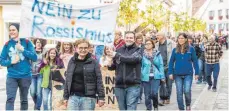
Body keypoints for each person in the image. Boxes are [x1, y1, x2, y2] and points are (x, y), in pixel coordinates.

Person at [0, 23, 37, 110]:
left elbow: (34, 57)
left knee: (24, 100)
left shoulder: (27, 42)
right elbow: (1, 61)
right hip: (12, 76)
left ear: (19, 31)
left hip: (25, 76)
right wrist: (11, 61)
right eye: (10, 30)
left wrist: (23, 50)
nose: (11, 32)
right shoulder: (7, 44)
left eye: (13, 30)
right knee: (10, 99)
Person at [63, 39, 105, 110]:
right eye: (80, 48)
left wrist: (101, 97)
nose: (83, 50)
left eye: (85, 48)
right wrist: (65, 97)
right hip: (73, 97)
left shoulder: (94, 62)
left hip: (88, 98)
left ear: (88, 48)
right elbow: (68, 79)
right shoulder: (72, 61)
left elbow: (99, 80)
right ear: (76, 48)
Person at [107, 31, 143, 110]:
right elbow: (114, 66)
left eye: (131, 38)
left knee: (131, 108)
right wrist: (109, 62)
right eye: (127, 37)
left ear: (134, 39)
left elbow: (132, 59)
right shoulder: (119, 50)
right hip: (119, 85)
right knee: (122, 108)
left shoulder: (139, 50)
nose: (129, 39)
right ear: (124, 38)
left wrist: (116, 55)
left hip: (133, 84)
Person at [168, 33, 199, 110]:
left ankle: (188, 105)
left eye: (182, 38)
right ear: (177, 39)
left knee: (187, 90)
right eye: (179, 38)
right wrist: (170, 72)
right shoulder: (175, 50)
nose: (180, 40)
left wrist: (197, 73)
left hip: (188, 74)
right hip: (177, 74)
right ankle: (181, 108)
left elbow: (195, 61)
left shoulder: (191, 49)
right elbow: (171, 62)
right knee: (179, 93)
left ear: (185, 39)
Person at [141, 39, 165, 110]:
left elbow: (161, 65)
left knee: (154, 93)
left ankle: (155, 106)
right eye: (146, 44)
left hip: (156, 76)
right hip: (145, 77)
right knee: (147, 95)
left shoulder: (157, 53)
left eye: (149, 43)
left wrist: (162, 76)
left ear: (152, 45)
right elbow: (140, 66)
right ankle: (148, 108)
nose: (148, 45)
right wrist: (141, 74)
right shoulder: (142, 54)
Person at [155, 32, 176, 105]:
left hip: (169, 66)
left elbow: (175, 54)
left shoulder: (171, 43)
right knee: (162, 83)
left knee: (169, 83)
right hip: (160, 67)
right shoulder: (156, 45)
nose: (156, 36)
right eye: (156, 35)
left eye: (158, 35)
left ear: (163, 36)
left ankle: (168, 97)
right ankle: (162, 98)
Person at [30, 38, 46, 110]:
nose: (38, 44)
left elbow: (46, 62)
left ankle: (37, 108)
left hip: (40, 74)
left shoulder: (44, 52)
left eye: (40, 42)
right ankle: (37, 104)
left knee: (39, 92)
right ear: (35, 43)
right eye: (37, 42)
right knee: (33, 92)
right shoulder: (31, 51)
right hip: (32, 74)